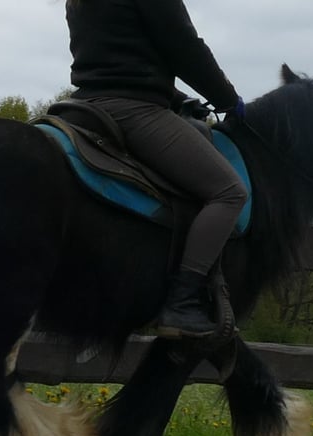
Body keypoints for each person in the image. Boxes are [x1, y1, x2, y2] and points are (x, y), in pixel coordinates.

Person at [65, 0, 248, 339]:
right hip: (133, 110)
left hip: (83, 104)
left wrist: (176, 99)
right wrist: (227, 99)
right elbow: (183, 46)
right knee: (229, 192)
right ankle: (182, 303)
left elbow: (121, 53)